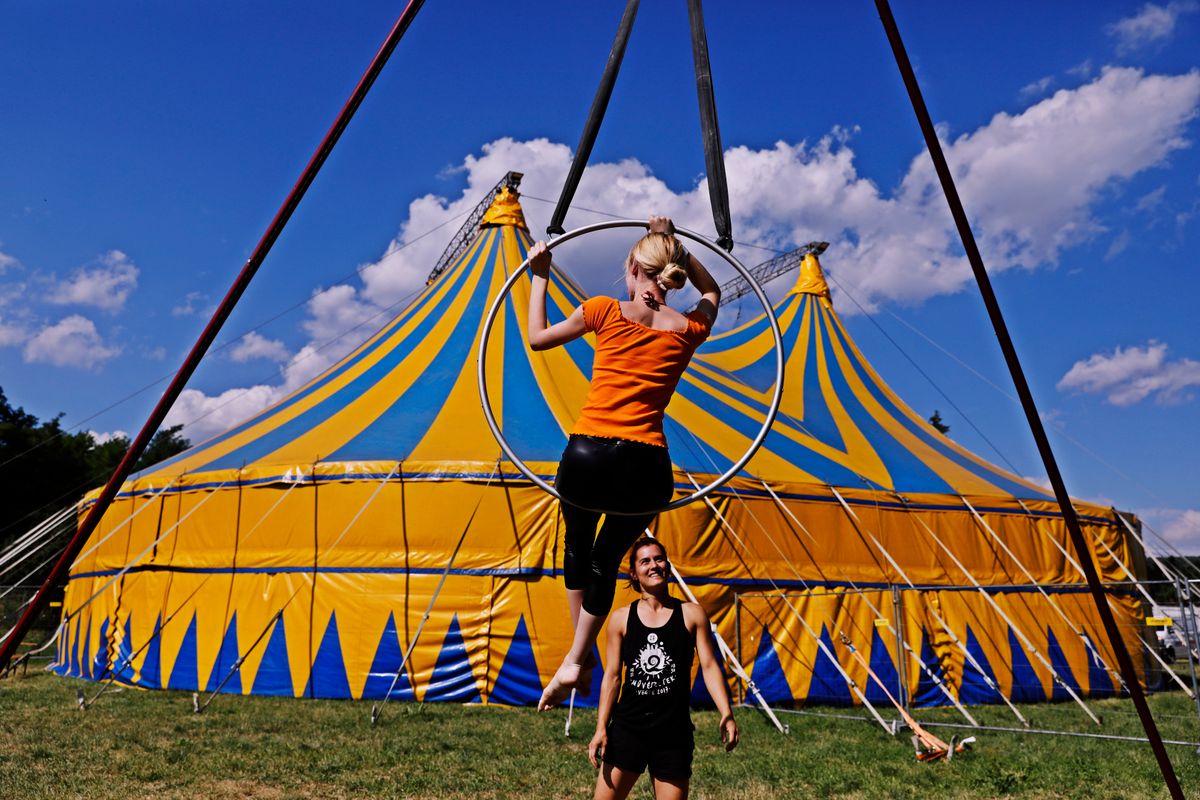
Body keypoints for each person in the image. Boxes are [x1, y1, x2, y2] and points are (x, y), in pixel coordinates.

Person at [525, 215, 720, 710]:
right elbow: (712, 289)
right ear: (670, 272)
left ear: (631, 268)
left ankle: (578, 655)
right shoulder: (688, 328)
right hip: (645, 462)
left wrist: (541, 274)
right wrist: (676, 245)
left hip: (589, 453)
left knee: (577, 547)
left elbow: (537, 338)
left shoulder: (603, 310)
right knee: (607, 560)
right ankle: (575, 655)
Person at [588, 536, 739, 800]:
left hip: (673, 732)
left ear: (667, 566)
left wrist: (726, 712)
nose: (653, 565)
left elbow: (709, 665)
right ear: (634, 574)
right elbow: (612, 677)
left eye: (658, 559)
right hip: (628, 728)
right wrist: (601, 727)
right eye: (645, 561)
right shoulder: (621, 619)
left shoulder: (692, 614)